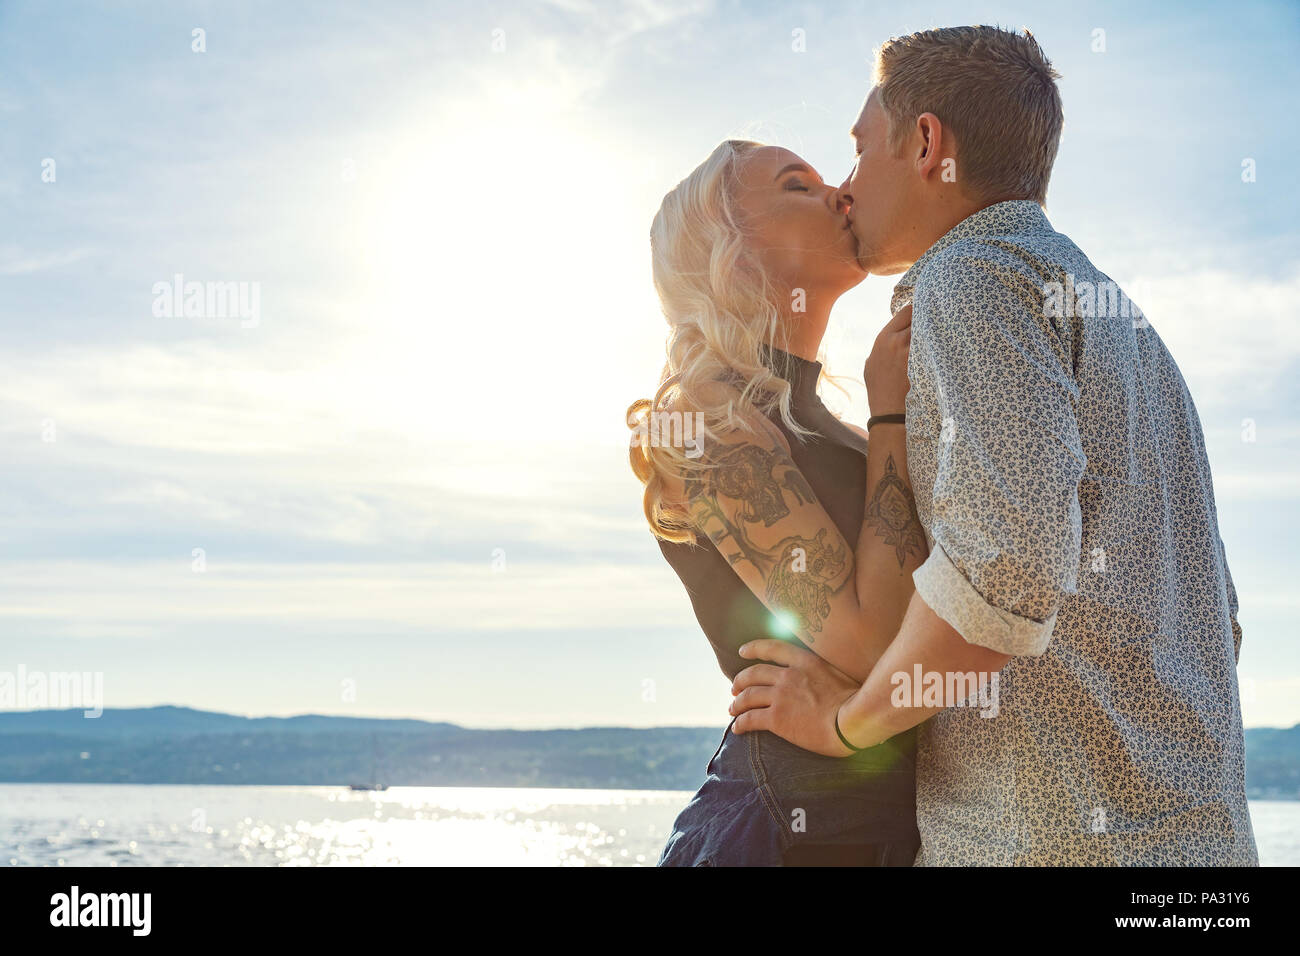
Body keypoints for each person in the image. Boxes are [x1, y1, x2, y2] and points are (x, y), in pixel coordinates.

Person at [729, 25, 1259, 866]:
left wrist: (842, 724)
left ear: (927, 142)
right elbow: (1215, 619)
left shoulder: (970, 277)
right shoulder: (1127, 326)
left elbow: (1005, 573)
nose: (848, 184)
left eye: (860, 150)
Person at [627, 139, 927, 865]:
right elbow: (882, 651)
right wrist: (893, 414)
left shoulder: (839, 427)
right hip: (778, 836)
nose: (840, 196)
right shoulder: (703, 419)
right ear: (732, 244)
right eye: (799, 186)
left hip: (890, 830)